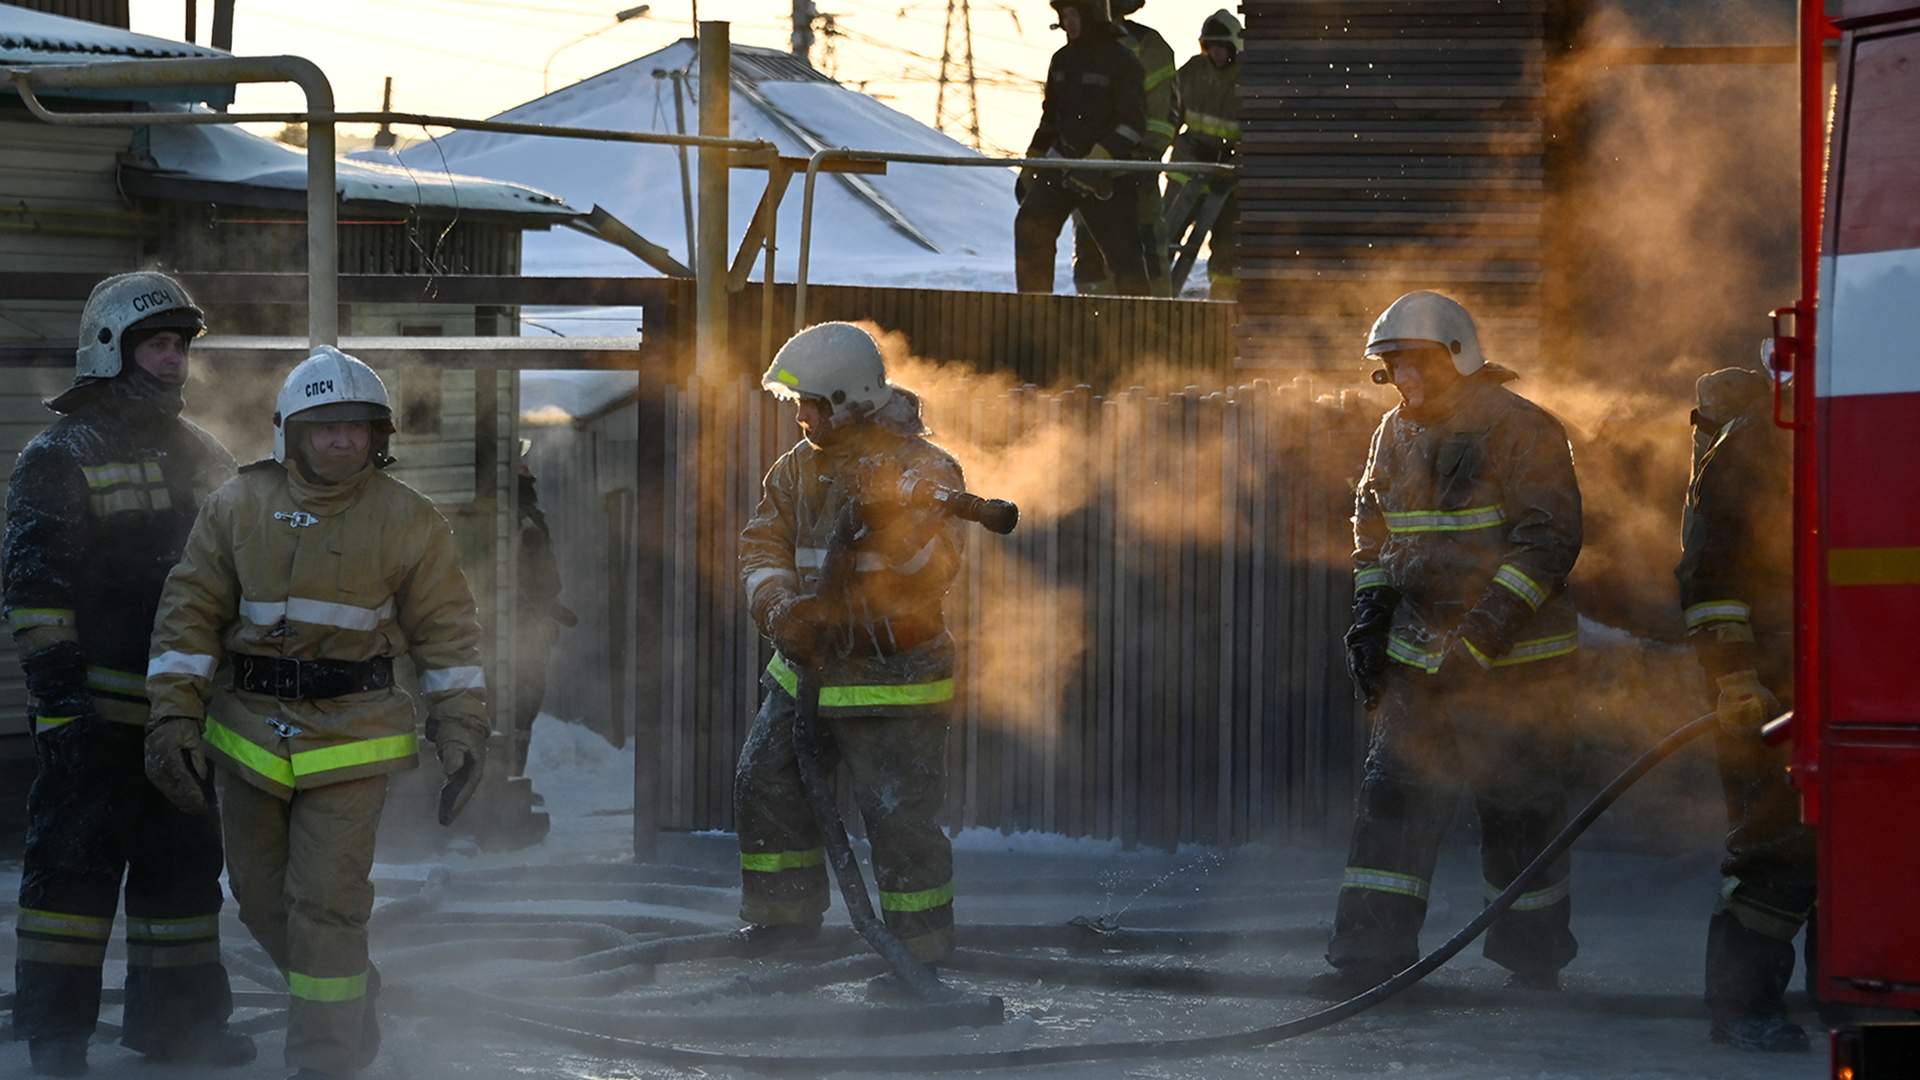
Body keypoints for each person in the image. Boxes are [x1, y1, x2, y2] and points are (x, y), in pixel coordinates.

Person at [144, 345, 490, 1080]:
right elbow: (188, 618)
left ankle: (325, 1061)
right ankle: (350, 995)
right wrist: (173, 718)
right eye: (324, 426)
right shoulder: (236, 507)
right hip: (247, 734)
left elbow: (448, 633)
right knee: (262, 905)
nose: (341, 439)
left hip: (354, 738)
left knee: (328, 907)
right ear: (291, 434)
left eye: (356, 427)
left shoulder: (409, 519)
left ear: (378, 436)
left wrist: (460, 727)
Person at [3, 271, 252, 1077]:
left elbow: (241, 573)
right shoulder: (58, 454)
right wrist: (62, 709)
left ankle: (179, 1030)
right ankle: (56, 1039)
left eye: (181, 346)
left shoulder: (203, 454)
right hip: (93, 719)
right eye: (157, 344)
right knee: (70, 883)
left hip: (183, 717)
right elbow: (35, 594)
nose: (174, 360)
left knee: (182, 879)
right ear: (110, 348)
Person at [1329, 290, 1584, 993]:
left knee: (1520, 811)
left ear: (1457, 356)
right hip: (1420, 662)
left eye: (1412, 364)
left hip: (1517, 669)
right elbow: (1372, 533)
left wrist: (1481, 636)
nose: (1401, 381)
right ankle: (1367, 960)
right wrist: (1370, 618)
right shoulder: (1393, 433)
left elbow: (1548, 543)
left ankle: (1532, 962)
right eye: (1389, 369)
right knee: (1392, 805)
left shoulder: (1522, 428)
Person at [734, 322, 966, 965]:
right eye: (797, 404)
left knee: (897, 818)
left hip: (894, 678)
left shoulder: (926, 471)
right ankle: (783, 926)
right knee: (765, 782)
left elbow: (932, 570)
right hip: (803, 669)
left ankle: (918, 951)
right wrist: (780, 608)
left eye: (812, 403)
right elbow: (762, 547)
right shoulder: (797, 470)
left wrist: (888, 518)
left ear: (850, 399)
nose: (802, 417)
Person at [1676, 366, 1814, 1053]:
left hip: (1845, 674)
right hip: (1766, 687)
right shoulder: (1754, 447)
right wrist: (1733, 677)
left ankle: (1840, 998)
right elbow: (1709, 577)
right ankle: (1742, 1008)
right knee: (1779, 845)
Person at [1014, 0, 1150, 296]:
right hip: (1062, 166)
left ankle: (1142, 327)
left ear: (1093, 17)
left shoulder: (1122, 61)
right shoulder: (1061, 61)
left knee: (1124, 255)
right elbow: (1050, 121)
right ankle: (1033, 315)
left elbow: (1133, 125)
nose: (1068, 22)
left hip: (1107, 176)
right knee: (1030, 225)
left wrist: (1098, 161)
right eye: (1064, 15)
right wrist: (1032, 165)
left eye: (1074, 14)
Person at [1071, 0, 1178, 296]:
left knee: (1145, 256)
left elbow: (1164, 115)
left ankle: (1156, 329)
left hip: (1132, 173)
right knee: (1089, 257)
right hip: (1087, 176)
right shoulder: (1073, 51)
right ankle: (1092, 330)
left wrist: (1143, 159)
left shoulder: (1148, 46)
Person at [1165, 10, 1242, 299]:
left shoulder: (1248, 80)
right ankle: (1155, 297)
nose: (1217, 53)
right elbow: (1169, 115)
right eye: (1211, 47)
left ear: (1235, 47)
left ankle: (1223, 305)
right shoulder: (1192, 72)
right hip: (1186, 171)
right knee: (1167, 239)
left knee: (1227, 247)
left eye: (1222, 47)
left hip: (1228, 179)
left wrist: (1237, 162)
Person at [511, 452, 575, 774]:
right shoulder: (524, 518)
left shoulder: (523, 515)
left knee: (520, 704)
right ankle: (509, 776)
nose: (527, 464)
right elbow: (545, 581)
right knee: (523, 702)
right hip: (522, 627)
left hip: (526, 624)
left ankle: (510, 776)